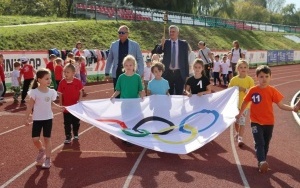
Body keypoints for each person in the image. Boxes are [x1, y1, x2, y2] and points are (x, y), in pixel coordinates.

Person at [236, 65, 297, 173]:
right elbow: (245, 102)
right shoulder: (252, 90)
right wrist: (240, 114)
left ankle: (261, 161)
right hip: (255, 122)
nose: (264, 79)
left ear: (270, 77)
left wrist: (293, 108)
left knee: (266, 143)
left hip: (269, 122)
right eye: (261, 77)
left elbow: (281, 105)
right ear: (257, 77)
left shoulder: (272, 91)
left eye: (266, 76)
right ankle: (262, 161)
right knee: (259, 142)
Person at [24, 68, 58, 168]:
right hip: (37, 119)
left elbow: (51, 102)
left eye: (50, 78)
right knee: (35, 139)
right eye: (46, 78)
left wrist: (59, 107)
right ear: (39, 80)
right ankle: (41, 150)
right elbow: (30, 106)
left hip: (48, 118)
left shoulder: (51, 92)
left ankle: (48, 159)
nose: (49, 80)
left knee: (47, 138)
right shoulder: (34, 92)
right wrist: (26, 118)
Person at [105, 25, 144, 92]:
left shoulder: (135, 45)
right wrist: (106, 73)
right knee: (117, 94)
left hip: (131, 73)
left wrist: (140, 73)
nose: (120, 34)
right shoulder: (113, 45)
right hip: (117, 73)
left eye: (122, 32)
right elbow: (109, 60)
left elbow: (140, 59)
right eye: (119, 32)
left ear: (127, 34)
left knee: (130, 93)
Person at [156, 25, 189, 95]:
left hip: (180, 73)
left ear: (177, 33)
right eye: (170, 32)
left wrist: (187, 74)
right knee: (168, 94)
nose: (171, 33)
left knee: (179, 94)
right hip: (168, 73)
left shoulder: (183, 44)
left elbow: (186, 59)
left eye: (173, 32)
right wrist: (162, 44)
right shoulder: (166, 42)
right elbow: (158, 51)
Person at [228, 59, 254, 147]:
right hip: (235, 105)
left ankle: (240, 138)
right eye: (241, 67)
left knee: (242, 121)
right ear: (237, 69)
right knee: (236, 121)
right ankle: (237, 132)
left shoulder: (249, 80)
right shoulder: (233, 80)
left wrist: (243, 89)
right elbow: (229, 90)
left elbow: (252, 92)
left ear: (247, 69)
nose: (243, 69)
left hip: (245, 105)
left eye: (245, 67)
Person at [57, 63, 83, 144]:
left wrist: (79, 100)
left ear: (73, 73)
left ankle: (75, 133)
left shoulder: (77, 82)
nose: (65, 74)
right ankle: (68, 136)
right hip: (66, 108)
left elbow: (80, 92)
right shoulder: (62, 82)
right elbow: (60, 94)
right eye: (64, 72)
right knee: (67, 123)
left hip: (75, 107)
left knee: (76, 122)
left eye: (68, 72)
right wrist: (61, 105)